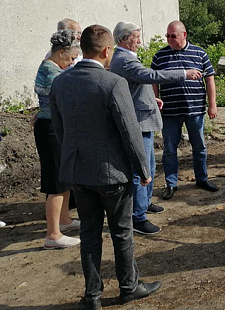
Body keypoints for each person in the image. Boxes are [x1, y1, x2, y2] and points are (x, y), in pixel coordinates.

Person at [50, 25, 161, 309]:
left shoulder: (60, 83)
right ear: (106, 50)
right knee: (122, 232)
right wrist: (143, 170)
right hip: (113, 175)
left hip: (79, 173)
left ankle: (93, 296)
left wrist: (72, 159)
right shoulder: (113, 83)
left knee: (89, 233)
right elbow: (130, 131)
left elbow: (60, 130)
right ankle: (129, 286)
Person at [110, 21, 202, 235]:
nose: (140, 41)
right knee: (141, 170)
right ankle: (137, 217)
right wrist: (183, 73)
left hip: (143, 118)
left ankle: (144, 204)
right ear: (124, 39)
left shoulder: (126, 58)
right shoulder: (124, 60)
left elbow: (136, 87)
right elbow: (151, 76)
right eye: (136, 37)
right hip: (138, 122)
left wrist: (152, 99)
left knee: (149, 167)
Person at [152, 21, 218, 199]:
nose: (170, 39)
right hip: (170, 112)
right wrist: (155, 101)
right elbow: (154, 81)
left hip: (195, 109)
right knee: (169, 149)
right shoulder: (160, 56)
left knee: (199, 146)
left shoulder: (199, 53)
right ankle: (171, 183)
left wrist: (212, 104)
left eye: (173, 36)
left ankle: (201, 179)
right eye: (167, 36)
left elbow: (210, 79)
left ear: (184, 35)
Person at [34, 29, 81, 250]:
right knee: (55, 181)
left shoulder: (55, 68)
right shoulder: (49, 71)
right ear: (62, 52)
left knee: (64, 177)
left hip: (57, 126)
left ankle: (64, 220)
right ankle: (52, 234)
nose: (72, 63)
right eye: (71, 58)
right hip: (50, 129)